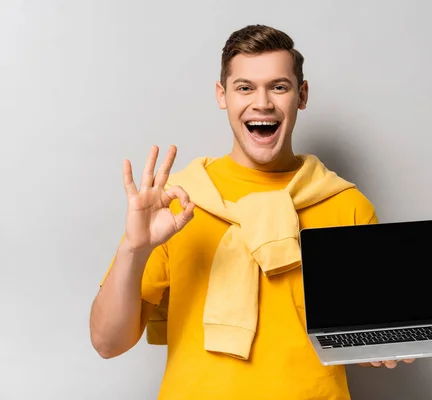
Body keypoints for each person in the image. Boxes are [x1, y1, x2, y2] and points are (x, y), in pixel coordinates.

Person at [89, 24, 414, 399]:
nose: (262, 102)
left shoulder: (345, 205)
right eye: (245, 87)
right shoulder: (176, 201)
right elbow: (106, 343)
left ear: (302, 95)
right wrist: (134, 247)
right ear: (221, 95)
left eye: (279, 86)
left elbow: (366, 332)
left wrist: (383, 346)